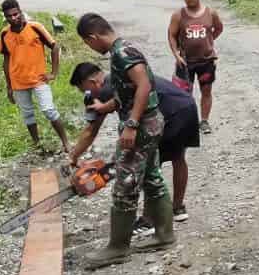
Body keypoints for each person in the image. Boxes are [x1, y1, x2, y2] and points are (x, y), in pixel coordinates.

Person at [75, 13, 173, 267]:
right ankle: (164, 234)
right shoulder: (124, 49)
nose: (91, 48)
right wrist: (106, 107)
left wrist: (131, 124)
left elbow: (143, 86)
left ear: (93, 37)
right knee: (152, 177)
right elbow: (126, 93)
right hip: (150, 122)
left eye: (89, 43)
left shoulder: (122, 54)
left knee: (125, 185)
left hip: (141, 126)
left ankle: (117, 246)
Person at [69, 61, 199, 223]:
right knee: (177, 158)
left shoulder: (105, 90)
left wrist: (73, 157)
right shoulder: (117, 80)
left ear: (92, 82)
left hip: (170, 113)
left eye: (85, 90)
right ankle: (178, 208)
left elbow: (91, 131)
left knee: (148, 166)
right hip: (186, 105)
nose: (88, 95)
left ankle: (150, 219)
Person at [0, 0, 70, 153]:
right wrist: (9, 86)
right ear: (5, 16)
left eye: (15, 14)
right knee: (28, 115)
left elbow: (55, 47)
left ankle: (66, 143)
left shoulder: (35, 27)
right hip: (18, 82)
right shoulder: (5, 34)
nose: (13, 18)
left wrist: (54, 73)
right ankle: (37, 144)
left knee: (48, 110)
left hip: (39, 79)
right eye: (9, 16)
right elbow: (6, 61)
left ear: (20, 11)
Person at [168, 0, 223, 134]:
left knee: (206, 91)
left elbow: (218, 28)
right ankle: (187, 122)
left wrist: (209, 41)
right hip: (185, 61)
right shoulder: (178, 15)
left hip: (206, 61)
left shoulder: (211, 13)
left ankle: (204, 121)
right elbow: (171, 35)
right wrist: (176, 54)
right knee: (183, 94)